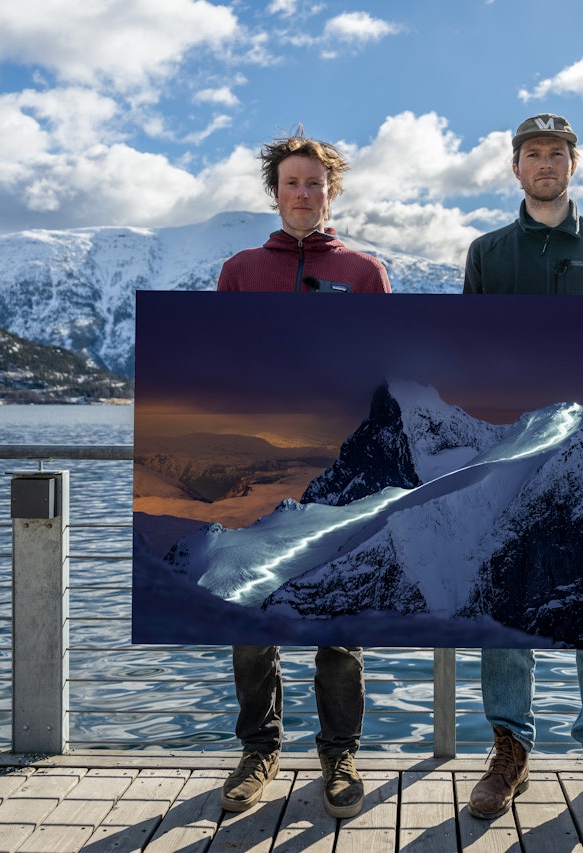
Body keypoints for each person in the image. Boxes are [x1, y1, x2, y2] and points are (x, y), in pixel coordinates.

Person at [462, 113, 583, 832]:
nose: (545, 164)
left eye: (557, 154)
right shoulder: (487, 252)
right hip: (513, 456)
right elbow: (469, 358)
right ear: (515, 167)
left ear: (575, 164)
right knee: (507, 597)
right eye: (533, 154)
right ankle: (510, 748)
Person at [216, 131, 390, 819]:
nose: (303, 194)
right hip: (256, 467)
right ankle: (259, 748)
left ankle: (339, 755)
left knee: (338, 617)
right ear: (275, 190)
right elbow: (214, 366)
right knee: (250, 614)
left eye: (315, 183)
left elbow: (384, 375)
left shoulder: (366, 273)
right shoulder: (238, 271)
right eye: (292, 182)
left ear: (331, 190)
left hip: (341, 469)